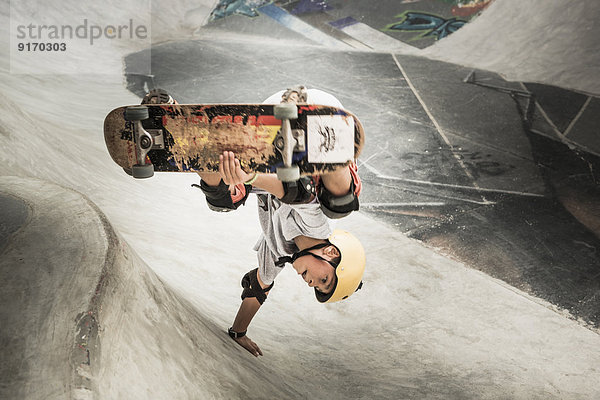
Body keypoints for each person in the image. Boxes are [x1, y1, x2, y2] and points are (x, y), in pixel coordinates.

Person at [154, 85, 366, 356]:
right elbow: (291, 192)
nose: (311, 283)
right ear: (331, 252)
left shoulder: (279, 253)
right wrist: (250, 177)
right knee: (340, 205)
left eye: (317, 287)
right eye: (324, 279)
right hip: (319, 117)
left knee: (222, 199)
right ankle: (327, 141)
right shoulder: (321, 228)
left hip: (268, 130)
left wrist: (238, 332)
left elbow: (258, 289)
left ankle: (180, 128)